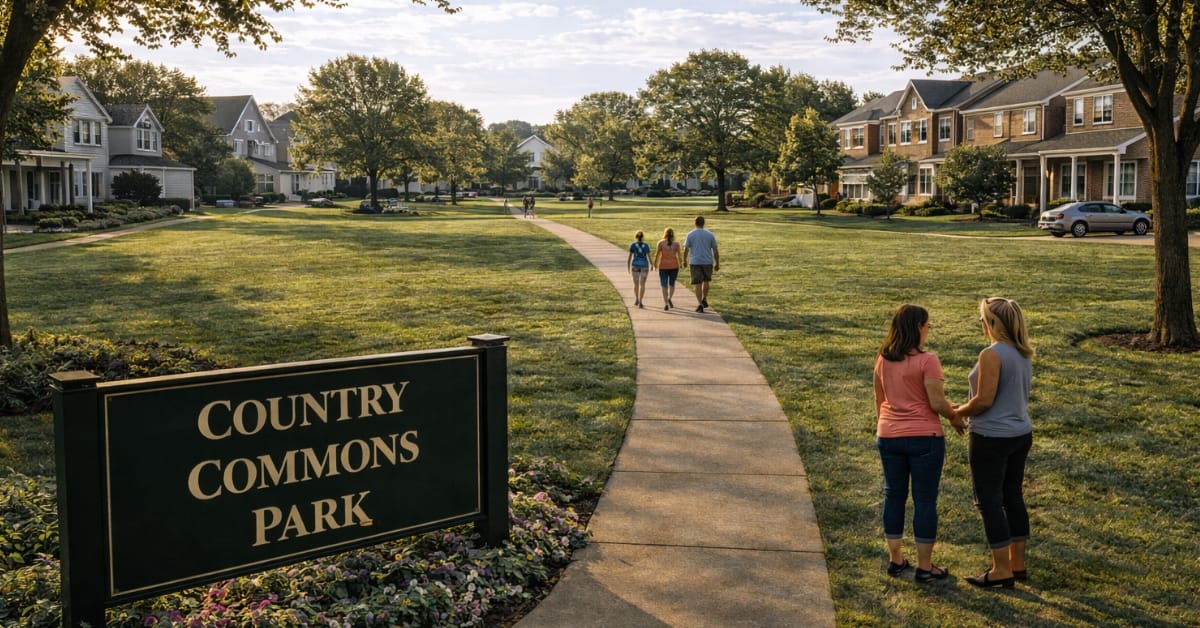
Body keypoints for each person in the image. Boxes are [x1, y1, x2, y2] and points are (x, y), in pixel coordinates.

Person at [873, 304, 964, 583]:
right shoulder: (928, 360)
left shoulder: (882, 359)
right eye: (927, 325)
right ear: (917, 328)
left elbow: (880, 401)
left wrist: (889, 427)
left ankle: (896, 560)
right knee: (924, 500)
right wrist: (955, 416)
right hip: (925, 438)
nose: (928, 330)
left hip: (888, 435)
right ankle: (925, 567)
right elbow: (936, 402)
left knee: (894, 495)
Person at [954, 297, 1035, 590]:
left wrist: (955, 412)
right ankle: (1017, 565)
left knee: (989, 500)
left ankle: (1000, 570)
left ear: (992, 323)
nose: (980, 325)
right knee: (1012, 496)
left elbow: (984, 401)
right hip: (1020, 433)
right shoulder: (1023, 352)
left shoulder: (992, 354)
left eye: (982, 320)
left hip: (991, 437)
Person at [682, 215, 718, 313]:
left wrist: (684, 260)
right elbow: (715, 249)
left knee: (698, 283)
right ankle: (704, 298)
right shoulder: (710, 234)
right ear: (704, 223)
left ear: (695, 223)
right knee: (706, 281)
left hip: (695, 261)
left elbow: (686, 249)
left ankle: (700, 304)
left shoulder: (690, 234)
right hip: (707, 261)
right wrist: (717, 263)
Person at [653, 227, 681, 310]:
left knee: (664, 285)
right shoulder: (676, 244)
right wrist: (681, 263)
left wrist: (655, 264)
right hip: (674, 266)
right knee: (672, 284)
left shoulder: (660, 243)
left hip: (663, 266)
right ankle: (669, 298)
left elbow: (657, 255)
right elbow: (679, 255)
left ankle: (665, 303)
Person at [627, 230, 652, 308]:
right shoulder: (646, 245)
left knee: (636, 284)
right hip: (644, 266)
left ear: (636, 237)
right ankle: (641, 301)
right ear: (643, 237)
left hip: (635, 266)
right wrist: (652, 264)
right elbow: (649, 257)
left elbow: (630, 257)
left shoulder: (633, 245)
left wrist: (628, 267)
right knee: (642, 285)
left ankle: (637, 299)